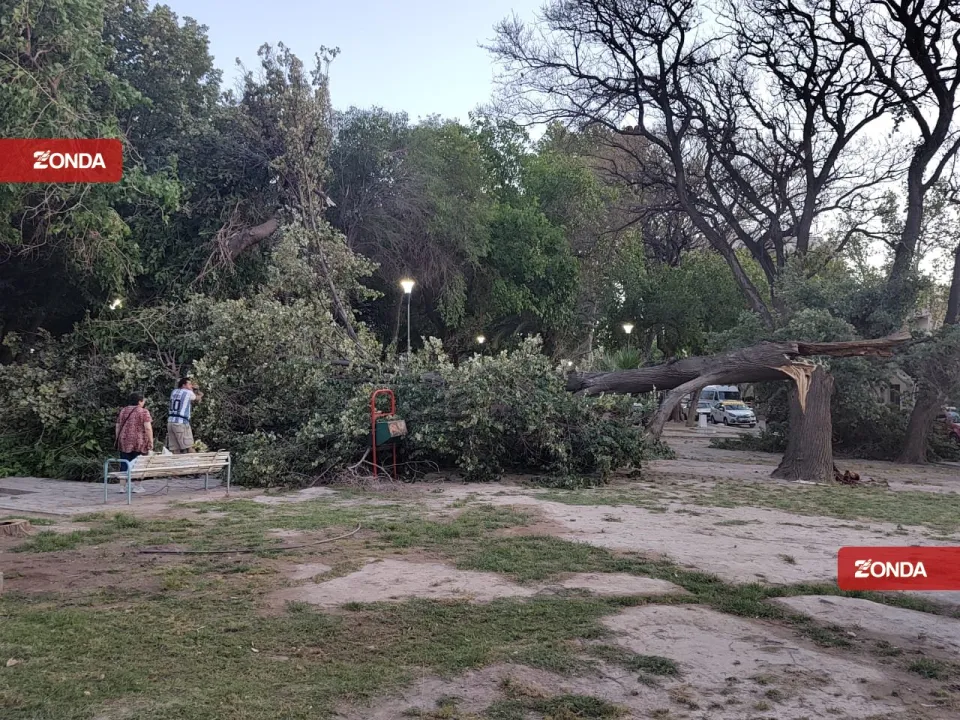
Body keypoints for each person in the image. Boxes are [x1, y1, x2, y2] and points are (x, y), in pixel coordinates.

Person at [115, 392, 154, 493]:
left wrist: (118, 438)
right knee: (138, 464)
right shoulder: (144, 411)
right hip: (139, 441)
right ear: (139, 401)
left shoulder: (123, 410)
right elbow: (148, 428)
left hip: (124, 440)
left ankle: (122, 487)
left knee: (124, 462)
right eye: (143, 400)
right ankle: (137, 486)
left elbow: (118, 425)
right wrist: (151, 441)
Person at [167, 377, 203, 454]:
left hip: (170, 422)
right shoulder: (188, 393)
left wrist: (191, 389)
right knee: (189, 447)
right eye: (189, 384)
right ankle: (194, 460)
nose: (191, 386)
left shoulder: (174, 392)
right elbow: (196, 398)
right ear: (183, 385)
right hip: (181, 423)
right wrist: (199, 393)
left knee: (175, 449)